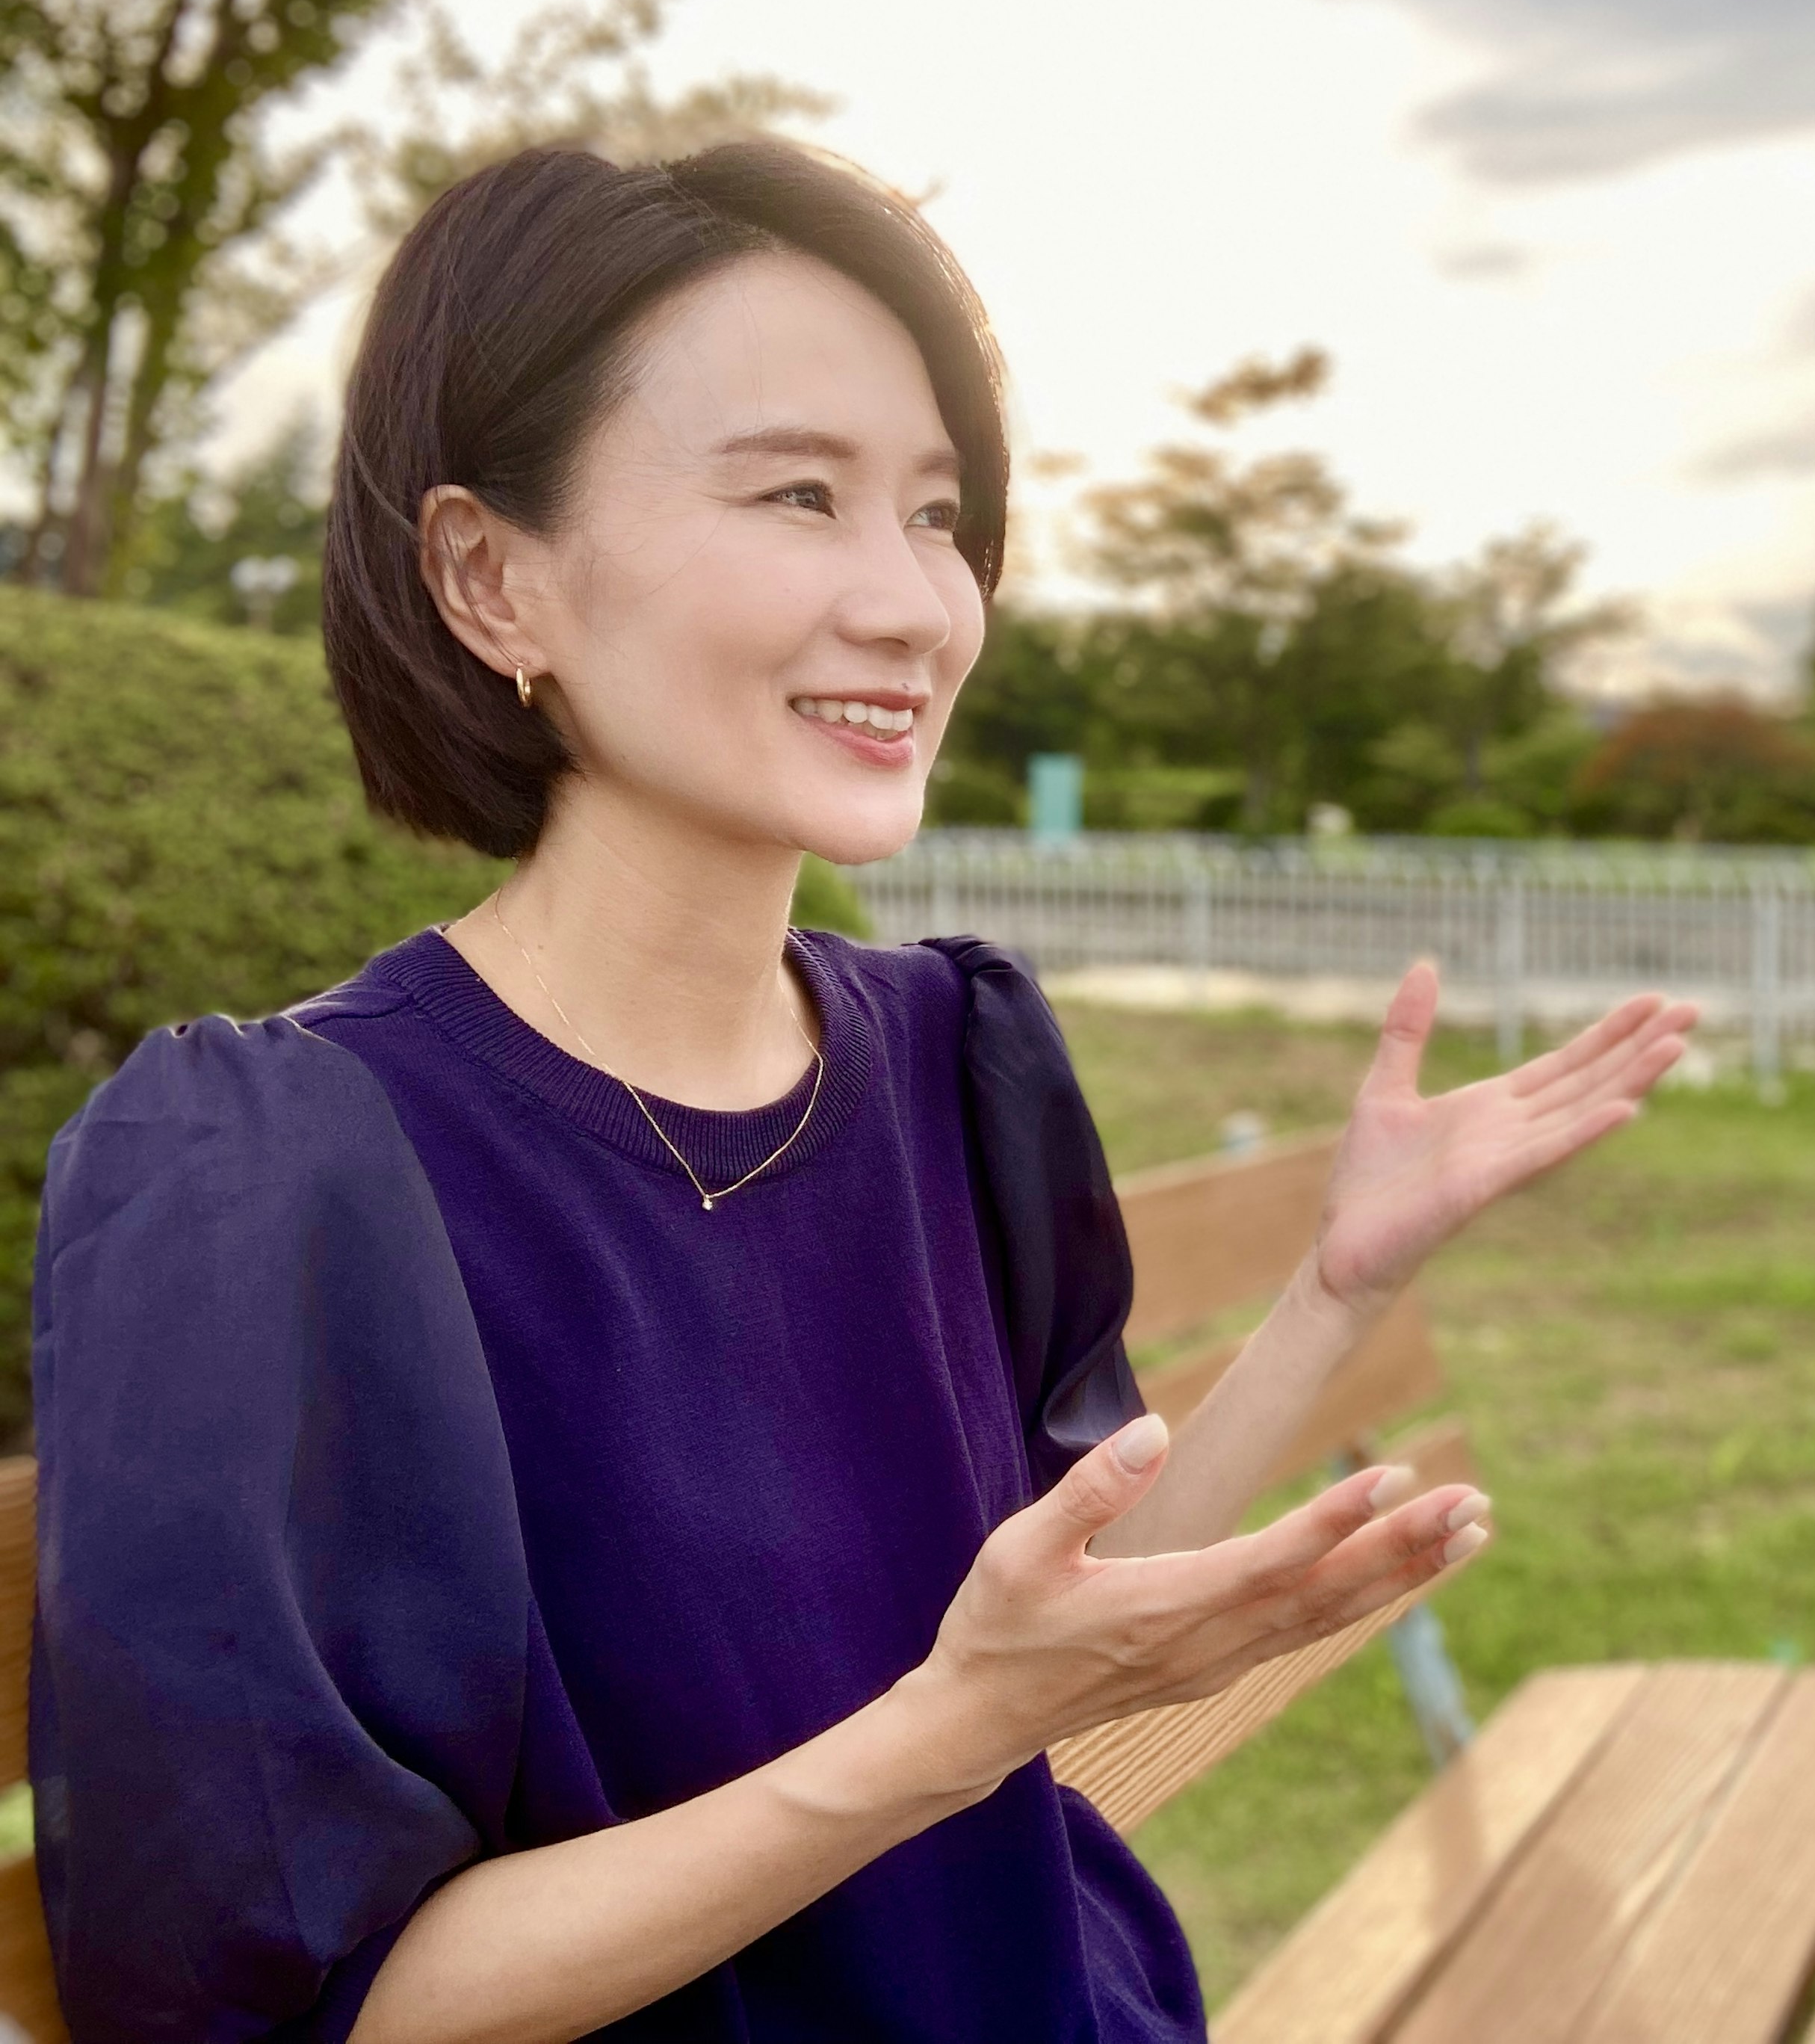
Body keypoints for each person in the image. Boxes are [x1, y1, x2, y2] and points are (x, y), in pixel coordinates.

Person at [28, 140, 1695, 2043]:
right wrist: (945, 1736)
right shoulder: (274, 1182)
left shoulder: (949, 1061)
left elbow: (1059, 1611)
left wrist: (1341, 1283)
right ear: (493, 578)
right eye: (799, 495)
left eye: (937, 512)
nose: (914, 605)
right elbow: (298, 2005)